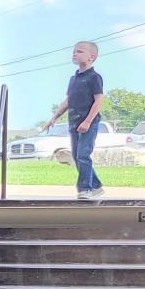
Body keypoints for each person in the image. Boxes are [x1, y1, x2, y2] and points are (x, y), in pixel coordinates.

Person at [44, 40, 106, 200]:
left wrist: (87, 121)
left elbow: (98, 100)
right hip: (74, 122)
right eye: (74, 51)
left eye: (79, 51)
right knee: (77, 155)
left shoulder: (94, 77)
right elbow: (68, 101)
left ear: (91, 57)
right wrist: (54, 118)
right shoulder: (73, 79)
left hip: (88, 123)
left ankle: (85, 189)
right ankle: (97, 186)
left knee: (83, 155)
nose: (75, 54)